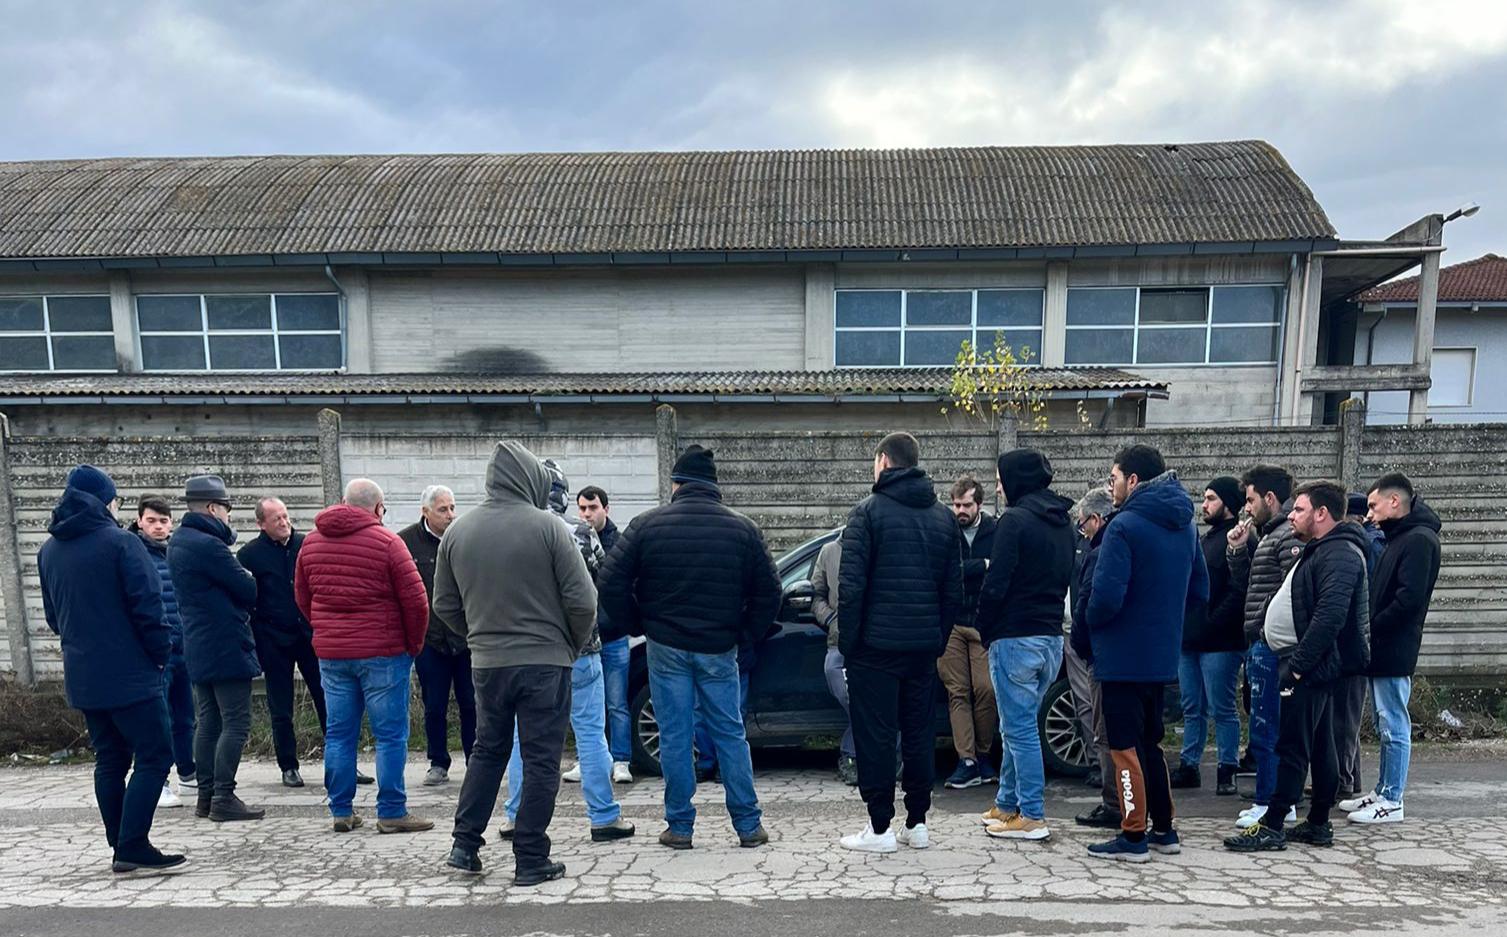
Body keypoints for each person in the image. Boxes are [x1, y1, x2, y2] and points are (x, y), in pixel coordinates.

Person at [599, 444, 779, 852]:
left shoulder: (647, 525)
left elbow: (609, 581)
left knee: (675, 736)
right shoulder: (743, 529)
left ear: (676, 484)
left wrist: (638, 623)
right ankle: (748, 825)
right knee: (730, 733)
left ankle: (680, 826)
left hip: (666, 645)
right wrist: (744, 634)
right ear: (714, 486)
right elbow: (770, 592)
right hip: (719, 646)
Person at [435, 442, 597, 884]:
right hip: (546, 661)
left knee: (488, 751)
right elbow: (583, 601)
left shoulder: (458, 532)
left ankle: (464, 845)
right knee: (541, 759)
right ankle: (530, 856)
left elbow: (443, 604)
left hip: (487, 664)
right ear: (530, 480)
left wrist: (478, 637)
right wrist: (569, 644)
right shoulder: (549, 527)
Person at [39, 466, 186, 875]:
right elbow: (148, 607)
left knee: (110, 759)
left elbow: (53, 617)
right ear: (106, 501)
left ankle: (119, 843)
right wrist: (161, 654)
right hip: (132, 673)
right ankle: (133, 843)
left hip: (84, 674)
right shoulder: (121, 543)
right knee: (156, 755)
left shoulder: (49, 550)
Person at [1225, 481, 1371, 852]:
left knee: (1292, 746)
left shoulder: (1340, 553)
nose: (1291, 516)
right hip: (1308, 662)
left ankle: (1273, 825)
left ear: (1322, 514)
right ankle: (1318, 823)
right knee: (1320, 745)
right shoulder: (1322, 548)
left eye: (1299, 510)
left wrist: (1297, 668)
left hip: (1311, 665)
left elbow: (1329, 618)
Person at [834, 433, 962, 854]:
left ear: (884, 462)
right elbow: (954, 592)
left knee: (876, 736)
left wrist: (850, 645)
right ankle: (917, 822)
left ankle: (879, 827)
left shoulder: (866, 513)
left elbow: (850, 589)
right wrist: (937, 640)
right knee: (919, 733)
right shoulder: (943, 518)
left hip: (875, 649)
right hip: (922, 648)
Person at [498, 460, 634, 843]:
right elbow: (599, 585)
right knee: (591, 733)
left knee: (522, 738)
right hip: (581, 650)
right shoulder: (581, 532)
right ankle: (604, 816)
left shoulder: (507, 534)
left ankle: (515, 816)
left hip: (525, 651)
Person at [1085, 445, 1208, 862]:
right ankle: (1164, 829)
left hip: (1121, 657)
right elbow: (1200, 591)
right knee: (1151, 744)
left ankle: (1132, 834)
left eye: (1114, 478)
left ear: (1133, 480)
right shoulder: (1186, 525)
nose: (1111, 487)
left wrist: (1093, 625)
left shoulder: (1124, 526)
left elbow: (1105, 597)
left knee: (1123, 747)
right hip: (1161, 657)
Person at [296, 479, 432, 835]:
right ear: (378, 507)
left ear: (344, 502)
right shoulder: (388, 542)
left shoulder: (311, 543)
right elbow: (417, 602)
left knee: (339, 734)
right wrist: (413, 644)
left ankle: (341, 810)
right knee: (390, 735)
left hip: (333, 655)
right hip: (383, 653)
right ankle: (391, 811)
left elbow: (302, 596)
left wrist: (326, 629)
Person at [975, 449, 1075, 842]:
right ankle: (1006, 803)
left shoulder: (1014, 521)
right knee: (1019, 725)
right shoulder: (1063, 522)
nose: (998, 487)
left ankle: (1032, 815)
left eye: (1001, 480)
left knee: (1018, 730)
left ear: (1016, 480)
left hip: (1015, 637)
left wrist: (983, 627)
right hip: (1050, 638)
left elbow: (996, 583)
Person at [1341, 473, 1441, 825]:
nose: (1368, 513)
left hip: (1395, 648)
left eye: (1373, 505)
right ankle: (1383, 789)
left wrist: (1372, 628)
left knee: (1393, 723)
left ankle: (1392, 799)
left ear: (1394, 501)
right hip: (1382, 647)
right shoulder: (1398, 537)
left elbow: (1408, 600)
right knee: (1384, 721)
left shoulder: (1419, 540)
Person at [169, 474, 263, 823]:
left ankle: (205, 797)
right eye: (226, 508)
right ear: (212, 508)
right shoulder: (209, 546)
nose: (228, 515)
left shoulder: (179, 540)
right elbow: (247, 588)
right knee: (236, 722)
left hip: (196, 643)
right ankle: (224, 795)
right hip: (225, 644)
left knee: (207, 721)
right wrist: (250, 579)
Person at [1226, 464, 1302, 830]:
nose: (1246, 508)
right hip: (1261, 641)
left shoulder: (1287, 536)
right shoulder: (1271, 534)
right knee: (1263, 726)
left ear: (1269, 498)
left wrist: (1266, 624)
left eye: (1251, 500)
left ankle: (1273, 802)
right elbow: (1251, 584)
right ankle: (1271, 800)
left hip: (1271, 645)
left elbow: (1294, 589)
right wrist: (1238, 550)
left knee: (1267, 727)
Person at [237, 496, 329, 790]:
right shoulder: (249, 555)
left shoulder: (307, 544)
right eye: (276, 518)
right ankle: (288, 766)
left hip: (309, 635)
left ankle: (341, 764)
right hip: (273, 639)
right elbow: (244, 597)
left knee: (327, 699)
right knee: (281, 705)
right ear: (261, 524)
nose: (284, 522)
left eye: (285, 515)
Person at [1171, 477, 1248, 796]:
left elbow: (1238, 589)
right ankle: (1189, 765)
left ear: (1228, 503)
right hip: (1190, 639)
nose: (1204, 505)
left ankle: (1227, 769)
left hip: (1220, 642)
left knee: (1222, 708)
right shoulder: (1204, 539)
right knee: (1192, 707)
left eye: (1211, 498)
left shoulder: (1238, 540)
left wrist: (1213, 622)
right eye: (1204, 498)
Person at [398, 484, 476, 787]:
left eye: (452, 507)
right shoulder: (405, 543)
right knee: (434, 705)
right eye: (443, 509)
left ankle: (474, 759)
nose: (450, 514)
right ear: (425, 512)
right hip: (429, 640)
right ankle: (438, 762)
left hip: (466, 637)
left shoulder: (465, 538)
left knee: (471, 702)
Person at [128, 495, 195, 809]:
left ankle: (188, 772)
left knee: (186, 717)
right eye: (151, 520)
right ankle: (160, 782)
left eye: (164, 521)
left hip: (184, 647)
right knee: (160, 720)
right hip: (154, 652)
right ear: (140, 521)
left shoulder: (176, 553)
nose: (158, 526)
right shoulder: (132, 554)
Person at [940, 476, 1000, 790]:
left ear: (979, 504)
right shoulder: (946, 531)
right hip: (951, 622)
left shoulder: (995, 531)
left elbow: (999, 570)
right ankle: (967, 760)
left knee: (986, 689)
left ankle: (983, 754)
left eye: (966, 505)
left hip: (982, 621)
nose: (960, 511)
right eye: (956, 505)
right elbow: (946, 573)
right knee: (958, 691)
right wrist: (981, 566)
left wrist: (975, 569)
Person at [1068, 488, 1121, 830]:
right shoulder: (1120, 543)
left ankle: (1114, 804)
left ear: (1097, 519)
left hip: (1102, 654)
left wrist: (1082, 643)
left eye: (1083, 523)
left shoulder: (1099, 552)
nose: (1081, 530)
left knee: (1106, 732)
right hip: (1123, 652)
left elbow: (1090, 602)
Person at [577, 484, 633, 784]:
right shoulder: (574, 539)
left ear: (606, 509)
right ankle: (588, 759)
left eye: (593, 508)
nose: (587, 514)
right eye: (582, 508)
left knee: (616, 703)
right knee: (587, 705)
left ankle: (621, 759)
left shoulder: (619, 543)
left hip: (613, 637)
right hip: (586, 639)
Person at [1332, 491, 1386, 798]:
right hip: (1360, 641)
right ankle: (1351, 779)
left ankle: (1343, 780)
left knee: (1344, 715)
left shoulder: (1367, 546)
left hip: (1355, 642)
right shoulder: (1370, 543)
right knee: (1347, 715)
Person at [811, 537, 857, 784]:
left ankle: (852, 754)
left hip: (872, 641)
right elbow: (815, 595)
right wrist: (830, 619)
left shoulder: (877, 545)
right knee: (849, 697)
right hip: (838, 641)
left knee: (877, 701)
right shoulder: (829, 551)